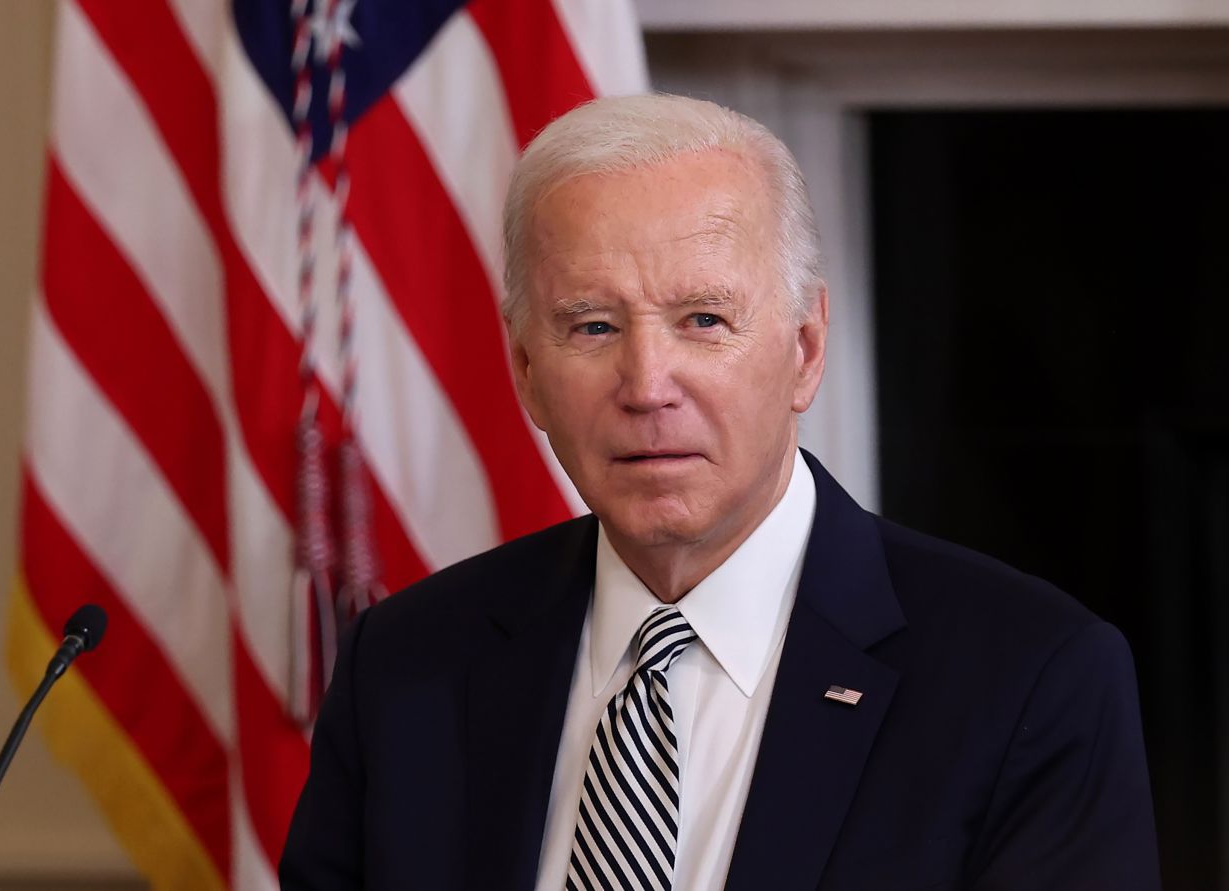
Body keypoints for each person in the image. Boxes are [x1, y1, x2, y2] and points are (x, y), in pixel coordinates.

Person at [279, 93, 1160, 890]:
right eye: (593, 326)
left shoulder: (1031, 681)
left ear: (805, 350)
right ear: (527, 373)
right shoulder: (402, 669)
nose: (647, 383)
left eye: (703, 320)